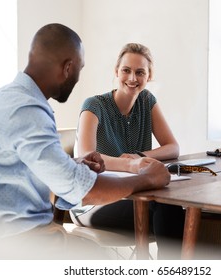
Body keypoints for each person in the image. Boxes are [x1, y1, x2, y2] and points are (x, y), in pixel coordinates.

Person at [0, 24, 170, 259]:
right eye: (79, 69)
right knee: (98, 258)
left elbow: (31, 170)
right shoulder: (29, 110)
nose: (78, 78)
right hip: (16, 240)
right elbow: (83, 190)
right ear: (68, 68)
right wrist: (146, 178)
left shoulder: (7, 97)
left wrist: (74, 164)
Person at [71, 43, 185, 259]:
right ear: (116, 72)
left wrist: (140, 157)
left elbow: (173, 147)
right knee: (165, 210)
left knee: (172, 207)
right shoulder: (94, 106)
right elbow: (86, 156)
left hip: (133, 195)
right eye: (126, 70)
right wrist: (130, 165)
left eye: (140, 72)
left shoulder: (147, 101)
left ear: (149, 76)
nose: (132, 78)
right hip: (92, 203)